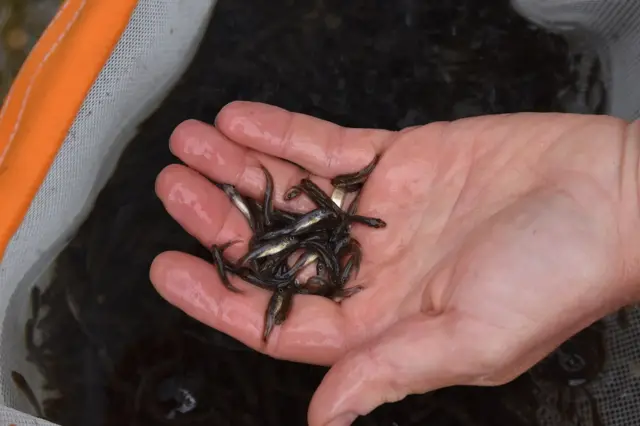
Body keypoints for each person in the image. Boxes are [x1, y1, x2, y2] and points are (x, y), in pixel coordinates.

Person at [149, 100, 640, 426]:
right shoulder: (324, 238)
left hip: (314, 238)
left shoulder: (328, 240)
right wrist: (618, 183)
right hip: (313, 237)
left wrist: (620, 196)